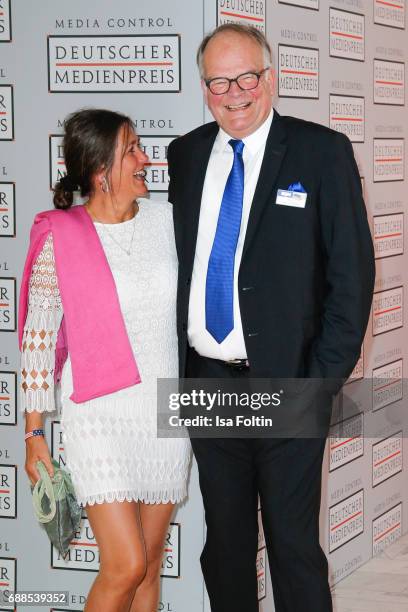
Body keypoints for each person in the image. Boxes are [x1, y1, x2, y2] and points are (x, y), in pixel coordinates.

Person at [167, 24, 375, 612]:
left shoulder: (321, 151)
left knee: (292, 547)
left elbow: (352, 278)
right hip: (209, 383)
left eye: (246, 77)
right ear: (204, 87)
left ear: (271, 77)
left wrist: (320, 381)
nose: (234, 93)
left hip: (290, 382)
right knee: (225, 549)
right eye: (217, 82)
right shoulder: (184, 155)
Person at [20, 108, 191, 612]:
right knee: (124, 564)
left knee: (152, 561)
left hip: (162, 413)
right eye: (133, 150)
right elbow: (38, 341)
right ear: (101, 171)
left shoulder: (167, 221)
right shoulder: (62, 236)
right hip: (98, 416)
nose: (146, 159)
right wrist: (33, 436)